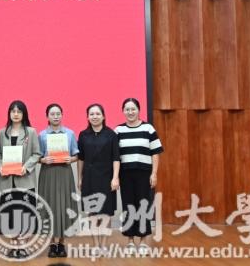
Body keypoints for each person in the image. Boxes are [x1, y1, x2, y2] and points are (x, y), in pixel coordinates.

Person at [115, 97, 163, 256]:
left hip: (144, 174)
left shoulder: (148, 128)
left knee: (143, 206)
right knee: (128, 206)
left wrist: (154, 173)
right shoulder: (118, 130)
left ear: (138, 110)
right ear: (123, 111)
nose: (130, 112)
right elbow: (115, 155)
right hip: (125, 174)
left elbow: (155, 153)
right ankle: (130, 240)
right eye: (127, 109)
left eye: (133, 109)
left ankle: (142, 241)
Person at [0, 100, 41, 259]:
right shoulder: (2, 132)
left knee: (26, 214)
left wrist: (26, 167)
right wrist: (0, 166)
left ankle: (24, 247)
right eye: (13, 111)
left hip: (25, 180)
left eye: (19, 111)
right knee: (10, 214)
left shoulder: (31, 132)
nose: (15, 114)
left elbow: (37, 154)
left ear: (24, 114)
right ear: (9, 114)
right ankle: (14, 246)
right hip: (8, 181)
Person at [77, 103, 120, 257]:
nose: (94, 116)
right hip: (89, 178)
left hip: (107, 178)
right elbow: (81, 158)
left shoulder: (111, 134)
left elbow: (116, 158)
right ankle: (95, 245)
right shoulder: (83, 135)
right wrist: (80, 178)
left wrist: (115, 178)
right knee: (93, 213)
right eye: (91, 114)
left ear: (103, 116)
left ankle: (104, 245)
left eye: (97, 114)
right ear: (88, 117)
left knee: (107, 214)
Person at [37, 103, 79, 258]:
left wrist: (71, 159)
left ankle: (61, 244)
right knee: (49, 205)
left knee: (64, 205)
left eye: (58, 114)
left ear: (62, 115)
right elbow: (37, 156)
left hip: (64, 173)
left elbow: (76, 154)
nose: (55, 116)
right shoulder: (42, 135)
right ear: (47, 116)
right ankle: (51, 245)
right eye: (52, 114)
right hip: (48, 173)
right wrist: (43, 160)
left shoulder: (70, 133)